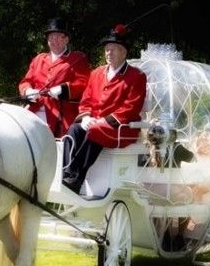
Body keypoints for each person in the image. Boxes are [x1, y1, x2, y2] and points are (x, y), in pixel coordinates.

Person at [62, 23, 147, 193]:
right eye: (107, 49)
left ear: (124, 52)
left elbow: (131, 107)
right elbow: (85, 99)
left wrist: (103, 120)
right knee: (74, 129)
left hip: (121, 128)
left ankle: (76, 178)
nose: (109, 52)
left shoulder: (136, 76)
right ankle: (65, 173)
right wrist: (86, 117)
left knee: (96, 129)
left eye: (114, 49)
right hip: (96, 122)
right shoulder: (96, 73)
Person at [18, 17, 91, 137]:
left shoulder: (77, 58)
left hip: (61, 112)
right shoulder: (39, 59)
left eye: (58, 37)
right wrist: (28, 91)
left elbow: (84, 84)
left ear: (66, 39)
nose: (53, 40)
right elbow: (25, 81)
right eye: (51, 37)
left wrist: (64, 89)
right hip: (35, 108)